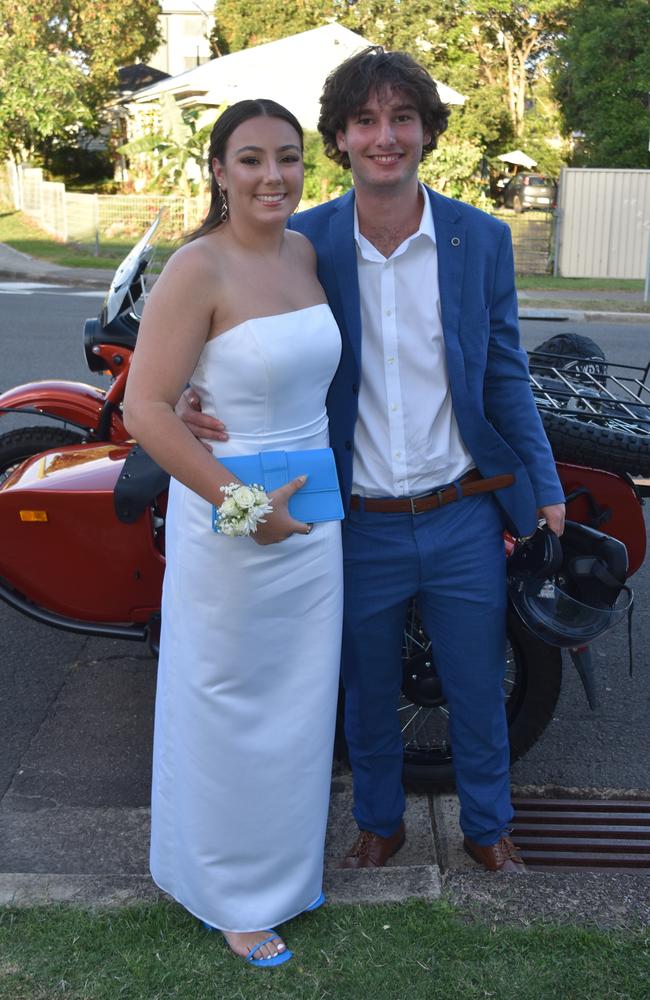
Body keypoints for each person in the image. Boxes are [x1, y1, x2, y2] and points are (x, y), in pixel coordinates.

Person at [179, 48, 566, 875]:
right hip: (352, 516)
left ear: (426, 130)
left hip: (462, 510)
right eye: (365, 122)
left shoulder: (482, 239)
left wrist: (546, 485)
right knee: (363, 690)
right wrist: (188, 388)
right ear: (341, 139)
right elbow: (225, 304)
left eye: (401, 119)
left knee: (476, 685)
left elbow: (505, 374)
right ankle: (378, 820)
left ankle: (489, 826)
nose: (384, 137)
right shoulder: (304, 240)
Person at [123, 99, 343, 967]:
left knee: (297, 705)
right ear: (218, 170)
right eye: (249, 159)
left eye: (287, 158)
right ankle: (228, 895)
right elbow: (146, 407)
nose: (272, 176)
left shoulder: (306, 252)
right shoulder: (196, 268)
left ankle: (286, 876)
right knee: (226, 703)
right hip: (231, 522)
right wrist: (246, 512)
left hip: (315, 519)